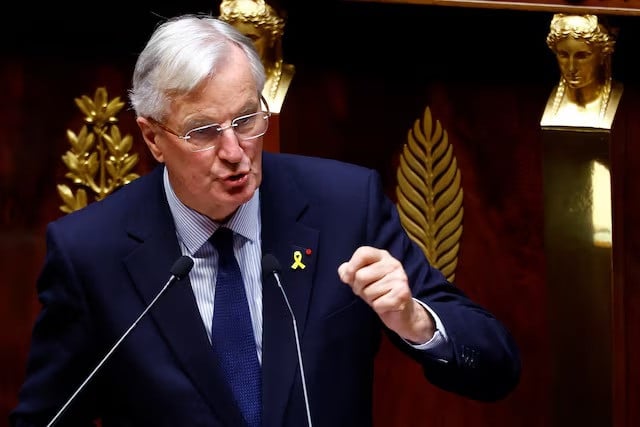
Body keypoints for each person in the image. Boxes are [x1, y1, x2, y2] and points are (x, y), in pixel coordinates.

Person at [10, 14, 520, 427]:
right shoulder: (91, 252)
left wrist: (416, 321)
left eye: (246, 119)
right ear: (152, 138)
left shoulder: (343, 206)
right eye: (204, 131)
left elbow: (496, 367)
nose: (235, 152)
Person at [541, 13, 623, 129]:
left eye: (582, 56)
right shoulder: (548, 102)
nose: (571, 68)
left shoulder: (620, 98)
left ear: (603, 55)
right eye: (563, 55)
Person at [219, 0, 295, 114]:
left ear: (271, 38)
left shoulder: (288, 78)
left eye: (251, 38)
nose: (242, 45)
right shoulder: (215, 80)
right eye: (235, 37)